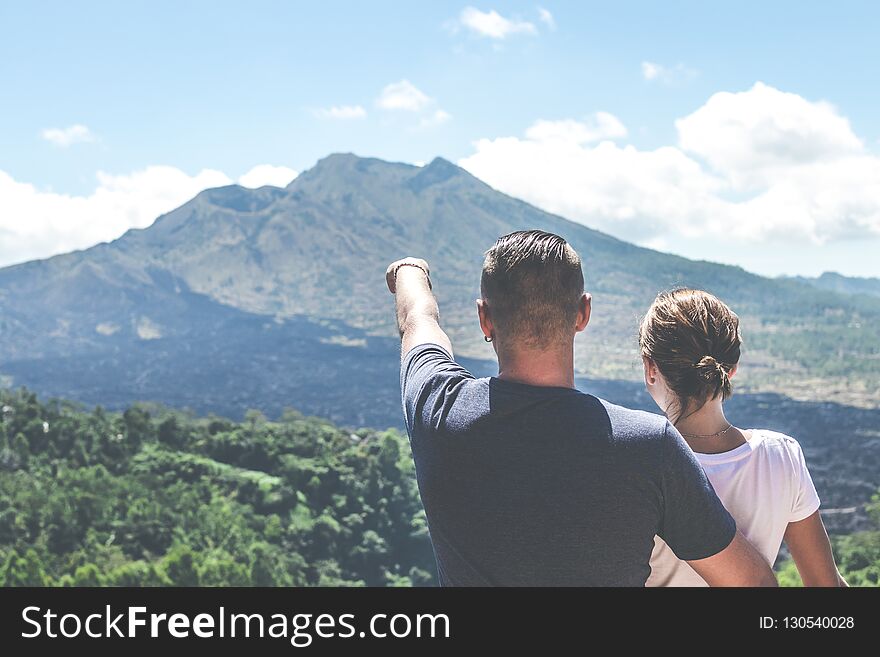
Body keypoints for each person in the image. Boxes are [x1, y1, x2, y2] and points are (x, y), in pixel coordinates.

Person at [385, 230, 776, 586]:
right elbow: (752, 583)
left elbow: (417, 320)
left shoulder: (438, 409)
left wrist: (409, 270)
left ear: (484, 318)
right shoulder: (647, 446)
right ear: (583, 314)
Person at [639, 288, 846, 587]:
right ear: (731, 369)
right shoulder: (782, 455)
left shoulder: (641, 462)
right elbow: (827, 585)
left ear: (650, 368)